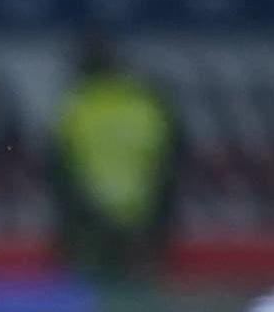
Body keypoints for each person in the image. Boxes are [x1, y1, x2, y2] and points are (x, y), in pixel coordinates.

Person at [48, 31, 178, 284]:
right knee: (141, 302)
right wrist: (159, 222)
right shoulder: (146, 103)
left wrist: (72, 230)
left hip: (92, 229)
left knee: (91, 302)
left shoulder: (77, 106)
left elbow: (61, 173)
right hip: (143, 228)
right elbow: (169, 166)